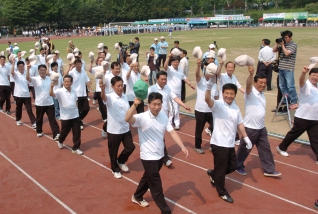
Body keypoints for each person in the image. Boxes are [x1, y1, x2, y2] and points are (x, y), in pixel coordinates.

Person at [125, 92, 189, 213]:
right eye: (154, 104)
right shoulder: (142, 117)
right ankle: (165, 211)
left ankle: (137, 196)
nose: (156, 107)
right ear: (148, 104)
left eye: (159, 104)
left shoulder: (163, 116)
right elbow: (127, 118)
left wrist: (182, 146)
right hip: (148, 157)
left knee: (147, 177)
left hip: (160, 156)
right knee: (156, 185)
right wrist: (134, 105)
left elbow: (173, 132)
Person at [205, 82, 252, 203]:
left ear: (235, 95)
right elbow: (208, 100)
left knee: (233, 166)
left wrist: (245, 137)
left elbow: (239, 123)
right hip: (219, 143)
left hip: (230, 143)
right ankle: (222, 192)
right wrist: (208, 89)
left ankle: (214, 174)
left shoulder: (236, 108)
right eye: (227, 93)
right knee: (221, 169)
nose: (229, 96)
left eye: (231, 93)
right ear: (223, 93)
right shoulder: (218, 105)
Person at [235, 69, 282, 177]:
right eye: (260, 82)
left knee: (265, 149)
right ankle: (237, 165)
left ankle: (269, 170)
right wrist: (251, 74)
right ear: (255, 82)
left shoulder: (262, 94)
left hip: (261, 128)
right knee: (244, 149)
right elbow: (247, 85)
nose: (263, 85)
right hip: (250, 128)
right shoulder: (250, 93)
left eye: (265, 83)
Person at [148, 71, 191, 167]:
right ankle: (165, 158)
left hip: (164, 118)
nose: (164, 81)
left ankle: (161, 156)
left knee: (160, 137)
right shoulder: (151, 89)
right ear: (157, 79)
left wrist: (184, 105)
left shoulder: (167, 88)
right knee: (159, 138)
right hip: (153, 118)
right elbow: (146, 100)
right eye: (162, 79)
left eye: (165, 79)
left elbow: (175, 98)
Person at [276, 67, 318, 162]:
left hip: (315, 118)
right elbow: (301, 80)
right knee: (293, 134)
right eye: (313, 75)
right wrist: (303, 73)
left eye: (317, 76)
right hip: (302, 117)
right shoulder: (305, 85)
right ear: (310, 75)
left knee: (316, 138)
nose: (315, 77)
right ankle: (281, 147)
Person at [100, 76, 135, 179]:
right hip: (114, 130)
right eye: (118, 86)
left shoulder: (124, 97)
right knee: (113, 152)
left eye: (121, 85)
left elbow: (127, 111)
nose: (120, 88)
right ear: (112, 86)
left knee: (130, 147)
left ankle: (121, 161)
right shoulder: (110, 97)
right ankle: (114, 169)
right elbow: (104, 98)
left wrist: (130, 121)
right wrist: (102, 90)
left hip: (125, 128)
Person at [50, 75, 83, 155]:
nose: (66, 83)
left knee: (77, 132)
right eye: (65, 81)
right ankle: (60, 140)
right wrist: (51, 87)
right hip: (65, 116)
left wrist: (77, 110)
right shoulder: (59, 91)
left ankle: (76, 148)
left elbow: (76, 101)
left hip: (75, 115)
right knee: (64, 132)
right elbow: (52, 94)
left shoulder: (74, 90)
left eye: (68, 81)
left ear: (71, 82)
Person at [26, 64, 60, 140]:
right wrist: (28, 69)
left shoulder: (49, 78)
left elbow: (56, 83)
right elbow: (28, 78)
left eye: (44, 70)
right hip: (40, 103)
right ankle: (39, 131)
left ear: (46, 71)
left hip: (49, 102)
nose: (42, 71)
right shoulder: (35, 79)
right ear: (38, 71)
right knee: (39, 119)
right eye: (41, 70)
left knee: (52, 119)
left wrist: (56, 78)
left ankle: (56, 133)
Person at [193, 59, 220, 154]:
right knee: (199, 129)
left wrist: (218, 108)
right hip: (200, 110)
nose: (209, 75)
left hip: (211, 110)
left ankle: (213, 145)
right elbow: (197, 75)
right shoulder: (201, 82)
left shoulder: (214, 84)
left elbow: (216, 98)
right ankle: (197, 146)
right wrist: (198, 66)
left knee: (215, 127)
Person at [164, 54, 195, 130]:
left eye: (177, 62)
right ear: (171, 62)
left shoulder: (180, 70)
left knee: (177, 108)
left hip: (178, 92)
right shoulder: (170, 69)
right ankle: (172, 122)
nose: (175, 63)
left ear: (179, 62)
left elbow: (184, 77)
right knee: (174, 109)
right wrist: (168, 57)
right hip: (171, 92)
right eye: (174, 62)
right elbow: (165, 66)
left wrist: (190, 84)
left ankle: (174, 122)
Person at [273, 30, 298, 109]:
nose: (285, 39)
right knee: (282, 86)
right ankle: (286, 100)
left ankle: (294, 101)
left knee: (290, 86)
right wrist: (278, 43)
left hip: (288, 68)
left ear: (290, 37)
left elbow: (287, 53)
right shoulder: (282, 44)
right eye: (284, 38)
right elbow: (274, 50)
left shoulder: (293, 45)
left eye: (286, 37)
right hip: (281, 68)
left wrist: (283, 45)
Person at [64, 58, 91, 130]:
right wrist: (69, 67)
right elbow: (65, 76)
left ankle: (80, 119)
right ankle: (79, 123)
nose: (79, 65)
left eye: (80, 64)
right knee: (77, 110)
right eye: (77, 64)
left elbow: (87, 80)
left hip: (83, 93)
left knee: (86, 109)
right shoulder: (72, 72)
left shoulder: (83, 72)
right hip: (76, 94)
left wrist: (90, 89)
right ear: (75, 65)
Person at [10, 60, 36, 127]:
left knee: (29, 110)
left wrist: (28, 69)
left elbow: (29, 82)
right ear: (18, 67)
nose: (21, 68)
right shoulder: (16, 74)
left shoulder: (26, 74)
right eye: (20, 67)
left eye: (22, 66)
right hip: (18, 95)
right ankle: (18, 120)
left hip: (26, 95)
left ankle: (33, 122)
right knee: (19, 109)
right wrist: (13, 63)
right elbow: (11, 72)